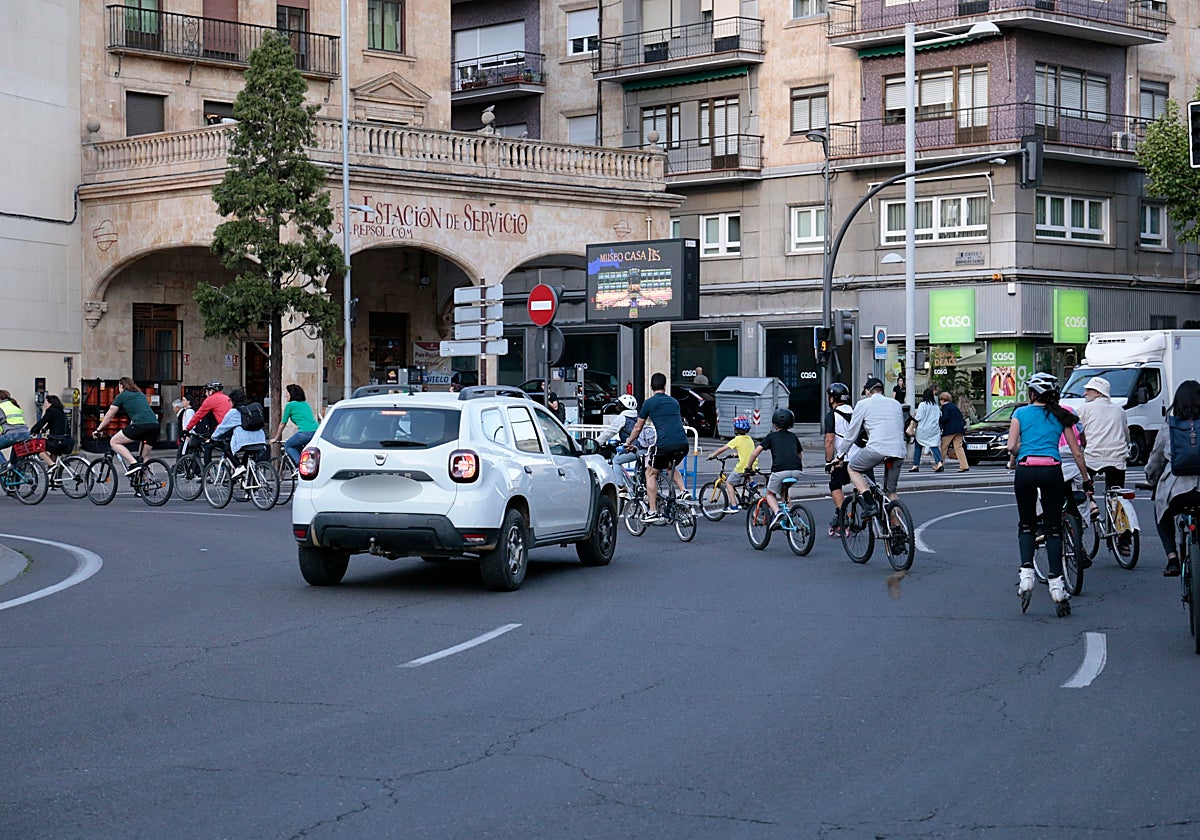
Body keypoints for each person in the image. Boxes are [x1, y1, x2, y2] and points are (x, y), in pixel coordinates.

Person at [1006, 372, 1089, 617]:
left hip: (1026, 470)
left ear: (1032, 394)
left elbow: (1011, 446)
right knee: (1053, 528)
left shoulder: (1020, 413)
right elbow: (1076, 452)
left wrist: (1023, 452)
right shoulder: (1061, 416)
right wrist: (1086, 479)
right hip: (1052, 470)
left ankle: (1026, 575)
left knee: (1027, 524)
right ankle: (1056, 584)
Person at [1145, 380, 1200, 577]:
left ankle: (1172, 558)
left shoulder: (1170, 426)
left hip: (1177, 492)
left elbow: (1156, 460)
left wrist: (1152, 480)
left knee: (1161, 511)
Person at [623, 372, 691, 524]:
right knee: (669, 466)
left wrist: (629, 441)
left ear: (651, 386)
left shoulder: (649, 403)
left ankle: (652, 511)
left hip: (665, 444)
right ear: (665, 386)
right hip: (683, 443)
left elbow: (638, 427)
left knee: (650, 473)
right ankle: (683, 491)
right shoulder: (674, 402)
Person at [836, 376, 905, 518]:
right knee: (891, 492)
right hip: (898, 450)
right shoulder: (896, 404)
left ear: (868, 391)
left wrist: (840, 455)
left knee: (853, 468)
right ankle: (898, 529)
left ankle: (869, 502)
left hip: (877, 449)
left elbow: (851, 434)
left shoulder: (863, 404)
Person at [1078, 375, 1131, 554]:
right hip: (1117, 458)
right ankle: (1123, 540)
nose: (1085, 393)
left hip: (1092, 457)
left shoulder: (1084, 409)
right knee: (1116, 497)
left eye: (1088, 390)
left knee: (1082, 487)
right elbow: (1126, 433)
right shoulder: (1119, 410)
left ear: (1097, 392)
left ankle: (1091, 504)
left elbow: (1078, 434)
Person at [746, 408, 803, 529]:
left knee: (770, 494)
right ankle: (790, 516)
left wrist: (748, 467)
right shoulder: (793, 437)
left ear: (774, 424)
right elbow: (800, 455)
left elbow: (755, 453)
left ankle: (778, 513)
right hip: (797, 470)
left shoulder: (771, 437)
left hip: (780, 470)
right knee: (784, 491)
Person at [93, 377, 159, 476]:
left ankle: (133, 463)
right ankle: (147, 484)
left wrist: (98, 429)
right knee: (144, 457)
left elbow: (109, 415)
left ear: (121, 385)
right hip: (154, 426)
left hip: (140, 425)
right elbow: (139, 412)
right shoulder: (140, 394)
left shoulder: (122, 396)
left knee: (114, 441)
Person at [209, 388, 269, 480]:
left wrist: (213, 438)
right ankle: (249, 488)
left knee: (226, 448)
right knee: (247, 460)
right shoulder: (251, 410)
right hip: (260, 440)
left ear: (232, 400)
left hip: (245, 442)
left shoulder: (233, 412)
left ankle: (238, 467)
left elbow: (222, 428)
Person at [603, 394, 651, 498]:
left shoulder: (622, 418)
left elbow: (608, 433)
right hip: (646, 449)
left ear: (622, 406)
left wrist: (596, 442)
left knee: (616, 461)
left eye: (619, 404)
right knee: (638, 473)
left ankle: (621, 488)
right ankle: (640, 489)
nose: (617, 406)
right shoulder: (638, 416)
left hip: (636, 449)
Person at [707, 415, 757, 514]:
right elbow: (747, 451)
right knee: (746, 473)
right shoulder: (749, 439)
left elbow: (723, 449)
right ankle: (752, 483)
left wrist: (712, 455)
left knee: (729, 482)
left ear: (735, 429)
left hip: (742, 467)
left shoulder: (736, 439)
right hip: (753, 465)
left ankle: (733, 506)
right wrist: (737, 454)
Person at [823, 383, 855, 536]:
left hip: (844, 457)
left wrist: (829, 462)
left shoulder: (832, 415)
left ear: (832, 399)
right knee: (864, 485)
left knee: (835, 484)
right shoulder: (855, 411)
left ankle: (842, 513)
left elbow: (830, 440)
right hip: (861, 456)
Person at [271, 383, 319, 467]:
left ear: (292, 394)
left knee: (288, 445)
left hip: (305, 432)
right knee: (299, 448)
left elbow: (283, 423)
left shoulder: (290, 405)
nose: (285, 395)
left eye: (287, 393)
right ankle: (306, 465)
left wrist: (275, 438)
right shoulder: (305, 404)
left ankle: (300, 467)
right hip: (316, 431)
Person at [186, 381, 232, 465]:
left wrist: (187, 429)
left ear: (211, 391)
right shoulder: (226, 398)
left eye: (206, 391)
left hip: (225, 430)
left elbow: (198, 415)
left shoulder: (211, 399)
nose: (206, 394)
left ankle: (207, 472)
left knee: (208, 446)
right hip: (231, 429)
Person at [31, 393, 74, 467]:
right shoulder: (60, 411)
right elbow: (52, 424)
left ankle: (52, 465)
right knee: (53, 454)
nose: (44, 404)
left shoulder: (51, 411)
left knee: (38, 447)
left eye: (46, 402)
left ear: (50, 403)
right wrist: (43, 430)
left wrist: (33, 430)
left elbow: (43, 421)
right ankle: (51, 475)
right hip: (66, 441)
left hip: (57, 441)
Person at [909, 388, 944, 472]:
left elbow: (919, 417)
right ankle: (939, 463)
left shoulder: (922, 405)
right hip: (934, 429)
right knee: (934, 446)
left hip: (923, 429)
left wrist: (912, 423)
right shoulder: (936, 406)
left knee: (918, 447)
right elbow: (940, 416)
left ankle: (915, 465)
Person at [0, 389, 32, 469]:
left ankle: (4, 463)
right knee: (15, 461)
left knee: (8, 462)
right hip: (25, 434)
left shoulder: (1, 407)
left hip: (12, 435)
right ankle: (15, 476)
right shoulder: (14, 405)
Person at [939, 391, 970, 472]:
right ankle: (964, 465)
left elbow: (945, 418)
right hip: (959, 429)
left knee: (944, 447)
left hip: (949, 430)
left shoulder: (945, 407)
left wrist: (940, 420)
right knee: (959, 447)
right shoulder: (955, 407)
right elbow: (961, 418)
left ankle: (940, 464)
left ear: (942, 400)